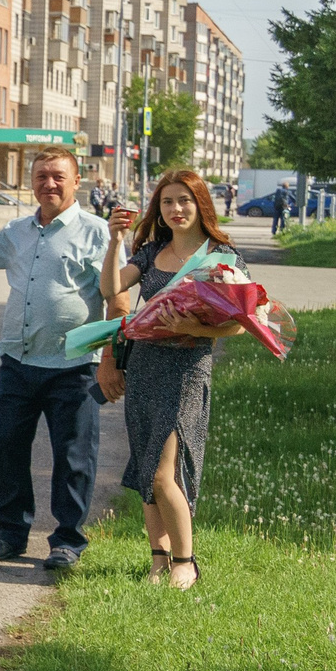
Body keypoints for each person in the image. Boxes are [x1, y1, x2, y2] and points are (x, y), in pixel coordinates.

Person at [0, 145, 120, 570]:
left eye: (58, 176)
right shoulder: (17, 231)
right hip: (18, 362)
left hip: (75, 366)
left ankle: (68, 541)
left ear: (76, 182)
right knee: (7, 451)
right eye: (41, 176)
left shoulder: (97, 232)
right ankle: (9, 535)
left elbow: (117, 300)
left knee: (74, 456)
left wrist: (109, 360)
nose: (49, 184)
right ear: (32, 181)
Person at [104, 168, 239, 591]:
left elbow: (240, 324)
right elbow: (111, 290)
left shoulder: (222, 256)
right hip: (144, 367)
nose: (176, 209)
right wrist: (115, 242)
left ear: (200, 204)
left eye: (184, 200)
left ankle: (187, 562)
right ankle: (158, 560)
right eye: (167, 202)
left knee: (165, 473)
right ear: (158, 210)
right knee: (148, 470)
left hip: (185, 369)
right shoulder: (150, 253)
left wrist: (198, 330)